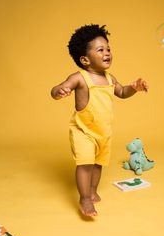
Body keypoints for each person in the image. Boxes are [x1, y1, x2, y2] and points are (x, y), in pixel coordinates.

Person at [51, 24, 148, 217]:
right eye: (100, 50)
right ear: (85, 59)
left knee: (98, 164)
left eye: (108, 49)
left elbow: (121, 92)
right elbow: (56, 89)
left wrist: (134, 88)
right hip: (83, 131)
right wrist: (59, 91)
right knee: (85, 164)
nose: (107, 53)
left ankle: (92, 189)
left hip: (104, 132)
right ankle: (84, 198)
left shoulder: (110, 78)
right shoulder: (79, 78)